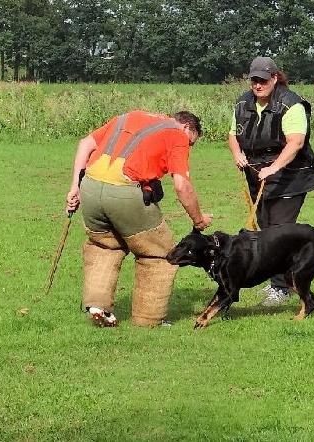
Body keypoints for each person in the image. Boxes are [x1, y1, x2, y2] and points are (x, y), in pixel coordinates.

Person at [66, 110, 213, 327]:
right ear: (187, 128)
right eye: (191, 143)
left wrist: (75, 188)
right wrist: (198, 220)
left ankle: (98, 306)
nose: (188, 147)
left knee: (104, 246)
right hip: (125, 192)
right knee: (160, 254)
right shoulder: (177, 135)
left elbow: (85, 143)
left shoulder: (129, 116)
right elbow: (182, 186)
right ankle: (148, 319)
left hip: (90, 186)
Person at [228, 56, 314, 306]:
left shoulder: (291, 105)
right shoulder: (242, 103)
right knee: (265, 228)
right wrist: (238, 155)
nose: (257, 85)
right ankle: (277, 281)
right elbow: (233, 135)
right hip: (256, 176)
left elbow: (296, 142)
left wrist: (274, 168)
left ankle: (280, 289)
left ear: (274, 78)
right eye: (253, 80)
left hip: (290, 176)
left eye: (262, 80)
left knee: (279, 231)